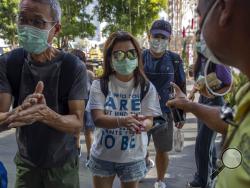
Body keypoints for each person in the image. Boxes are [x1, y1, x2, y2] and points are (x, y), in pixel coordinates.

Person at [0, 0, 88, 187]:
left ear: (55, 29)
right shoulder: (9, 63)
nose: (27, 27)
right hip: (26, 165)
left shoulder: (73, 67)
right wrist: (14, 115)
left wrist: (45, 114)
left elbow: (77, 124)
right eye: (22, 19)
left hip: (62, 166)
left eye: (38, 22)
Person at [167, 0, 250, 188]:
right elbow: (231, 122)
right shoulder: (246, 93)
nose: (199, 33)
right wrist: (192, 106)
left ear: (224, 8)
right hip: (207, 102)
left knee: (203, 146)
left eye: (199, 14)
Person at [87, 31, 162, 188]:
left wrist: (143, 124)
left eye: (131, 53)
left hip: (132, 158)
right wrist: (122, 121)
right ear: (110, 58)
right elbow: (98, 119)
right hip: (103, 156)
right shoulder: (99, 85)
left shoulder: (147, 87)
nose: (126, 58)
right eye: (119, 54)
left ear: (138, 55)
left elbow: (150, 120)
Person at [142, 19, 186, 188]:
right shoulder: (139, 56)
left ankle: (160, 180)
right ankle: (143, 164)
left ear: (168, 39)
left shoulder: (175, 59)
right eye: (156, 36)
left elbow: (180, 87)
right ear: (149, 36)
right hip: (140, 112)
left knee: (162, 149)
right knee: (138, 148)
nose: (159, 40)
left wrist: (181, 114)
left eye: (163, 37)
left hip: (165, 114)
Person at [187, 31, 232, 188]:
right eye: (198, 41)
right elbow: (200, 82)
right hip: (202, 101)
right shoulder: (201, 60)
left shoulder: (218, 61)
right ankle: (211, 176)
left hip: (215, 104)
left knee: (202, 143)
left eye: (203, 40)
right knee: (208, 144)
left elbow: (228, 84)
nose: (200, 44)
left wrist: (214, 94)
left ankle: (202, 180)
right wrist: (192, 93)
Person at [71, 49, 95, 161]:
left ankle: (90, 155)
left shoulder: (89, 74)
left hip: (88, 104)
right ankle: (77, 150)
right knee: (76, 130)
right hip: (76, 104)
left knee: (88, 130)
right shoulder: (69, 73)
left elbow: (93, 89)